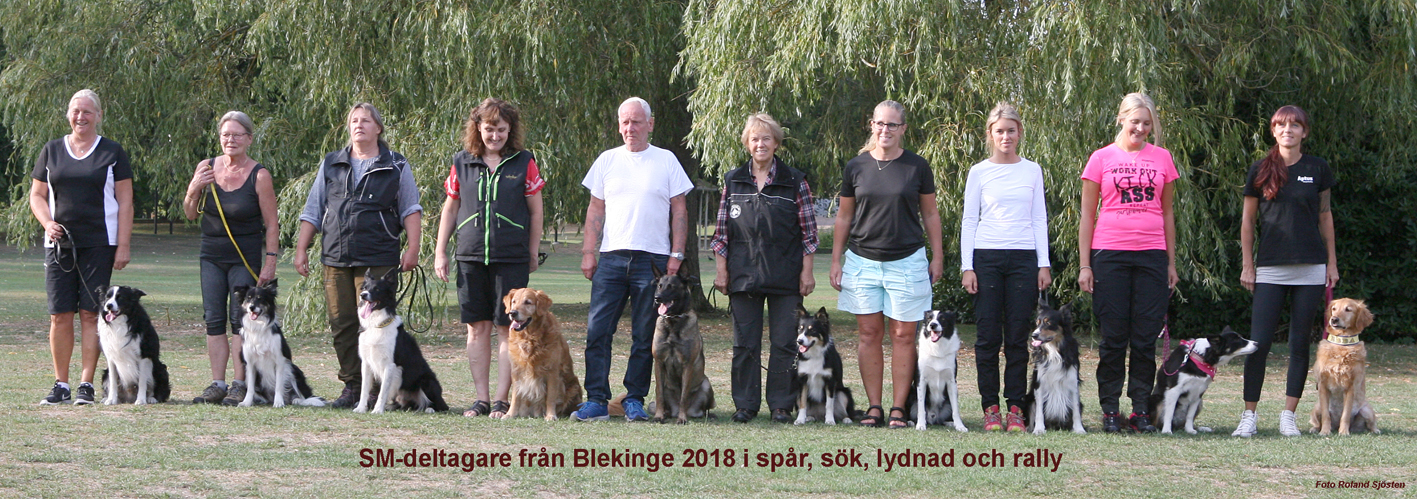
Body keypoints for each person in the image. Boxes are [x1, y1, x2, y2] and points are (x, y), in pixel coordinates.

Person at [571, 97, 693, 422]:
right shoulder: (607, 160)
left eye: (636, 121)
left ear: (650, 124)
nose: (630, 128)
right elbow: (595, 209)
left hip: (652, 260)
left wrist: (677, 254)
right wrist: (588, 252)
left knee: (643, 335)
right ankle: (596, 400)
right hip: (611, 258)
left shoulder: (666, 160)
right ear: (619, 125)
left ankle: (634, 399)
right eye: (625, 122)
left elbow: (680, 209)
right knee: (598, 331)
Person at [294, 102, 422, 409]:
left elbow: (410, 208)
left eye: (365, 121)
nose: (359, 125)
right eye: (354, 120)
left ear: (378, 128)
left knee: (377, 325)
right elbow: (314, 208)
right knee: (342, 322)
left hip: (378, 256)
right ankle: (352, 387)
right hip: (336, 255)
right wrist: (301, 248)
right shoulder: (332, 162)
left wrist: (413, 248)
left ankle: (378, 391)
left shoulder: (396, 164)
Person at [830, 100, 945, 429]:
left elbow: (930, 214)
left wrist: (938, 256)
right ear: (872, 125)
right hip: (862, 262)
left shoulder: (917, 167)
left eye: (892, 124)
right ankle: (874, 408)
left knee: (903, 336)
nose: (885, 130)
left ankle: (898, 409)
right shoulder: (856, 167)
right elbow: (844, 216)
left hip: (907, 262)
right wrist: (836, 259)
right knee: (869, 334)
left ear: (903, 129)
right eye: (880, 123)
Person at [433, 98, 545, 419]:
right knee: (476, 328)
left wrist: (532, 250)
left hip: (511, 256)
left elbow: (536, 211)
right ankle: (481, 399)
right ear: (478, 129)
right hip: (469, 256)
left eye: (501, 130)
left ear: (510, 131)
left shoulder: (524, 162)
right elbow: (450, 208)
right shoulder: (462, 162)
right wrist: (441, 251)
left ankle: (501, 400)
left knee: (507, 328)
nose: (495, 136)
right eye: (489, 129)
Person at [1232, 105, 1337, 437]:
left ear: (1304, 132)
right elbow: (1248, 221)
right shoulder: (1260, 169)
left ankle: (1288, 416)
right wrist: (1248, 264)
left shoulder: (1317, 168)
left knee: (1298, 344)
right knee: (1258, 343)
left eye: (1295, 125)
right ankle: (1249, 416)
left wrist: (1331, 263)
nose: (1288, 130)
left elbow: (1325, 217)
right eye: (1281, 125)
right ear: (1273, 131)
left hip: (1310, 267)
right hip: (1270, 268)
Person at [1077, 92, 1178, 433]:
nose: (1141, 128)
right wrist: (1085, 265)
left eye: (1147, 124)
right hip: (1109, 255)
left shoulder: (1162, 158)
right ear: (1121, 119)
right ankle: (1109, 409)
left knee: (1145, 339)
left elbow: (1167, 213)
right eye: (1135, 121)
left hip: (1152, 255)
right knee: (1113, 338)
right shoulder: (1101, 158)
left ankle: (1140, 410)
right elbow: (1087, 216)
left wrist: (1170, 262)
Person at [710, 113, 818, 424]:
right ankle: (745, 405)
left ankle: (781, 405)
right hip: (742, 275)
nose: (761, 144)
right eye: (755, 139)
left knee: (784, 343)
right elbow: (721, 234)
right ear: (747, 143)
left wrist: (807, 272)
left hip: (786, 275)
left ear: (776, 143)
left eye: (766, 139)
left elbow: (809, 234)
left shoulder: (795, 181)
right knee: (745, 344)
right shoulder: (733, 180)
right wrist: (722, 271)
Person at [29, 89, 134, 405]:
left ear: (99, 115)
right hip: (59, 246)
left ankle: (85, 384)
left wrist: (123, 244)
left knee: (91, 314)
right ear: (68, 115)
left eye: (87, 111)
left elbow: (125, 201)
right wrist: (48, 223)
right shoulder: (52, 150)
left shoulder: (112, 152)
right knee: (60, 315)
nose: (81, 117)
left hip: (99, 244)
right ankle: (61, 384)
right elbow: (37, 195)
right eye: (76, 111)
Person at [961, 102, 1051, 431]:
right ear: (990, 134)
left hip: (1024, 258)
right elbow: (969, 220)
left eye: (1011, 130)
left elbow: (1039, 218)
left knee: (1016, 337)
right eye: (999, 131)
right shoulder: (979, 172)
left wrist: (1043, 263)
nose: (1005, 136)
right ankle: (990, 408)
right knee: (987, 337)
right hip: (986, 257)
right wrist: (967, 267)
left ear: (1019, 132)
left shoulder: (1032, 170)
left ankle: (1015, 408)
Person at [183, 111, 278, 406]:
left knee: (240, 320)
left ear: (249, 139)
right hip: (211, 256)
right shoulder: (206, 167)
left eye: (237, 135)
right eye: (225, 134)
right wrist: (194, 187)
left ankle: (240, 383)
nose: (230, 140)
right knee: (213, 318)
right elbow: (189, 213)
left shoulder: (259, 175)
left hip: (244, 258)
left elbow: (272, 224)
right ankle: (217, 383)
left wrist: (270, 262)